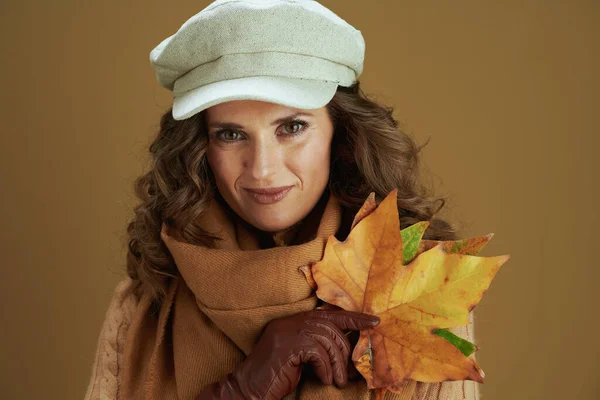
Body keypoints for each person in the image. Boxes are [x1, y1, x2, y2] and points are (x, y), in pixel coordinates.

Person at [84, 1, 480, 399]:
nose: (262, 170)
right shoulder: (141, 307)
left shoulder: (423, 291)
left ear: (341, 135)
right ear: (199, 147)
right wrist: (241, 391)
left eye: (292, 127)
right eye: (231, 134)